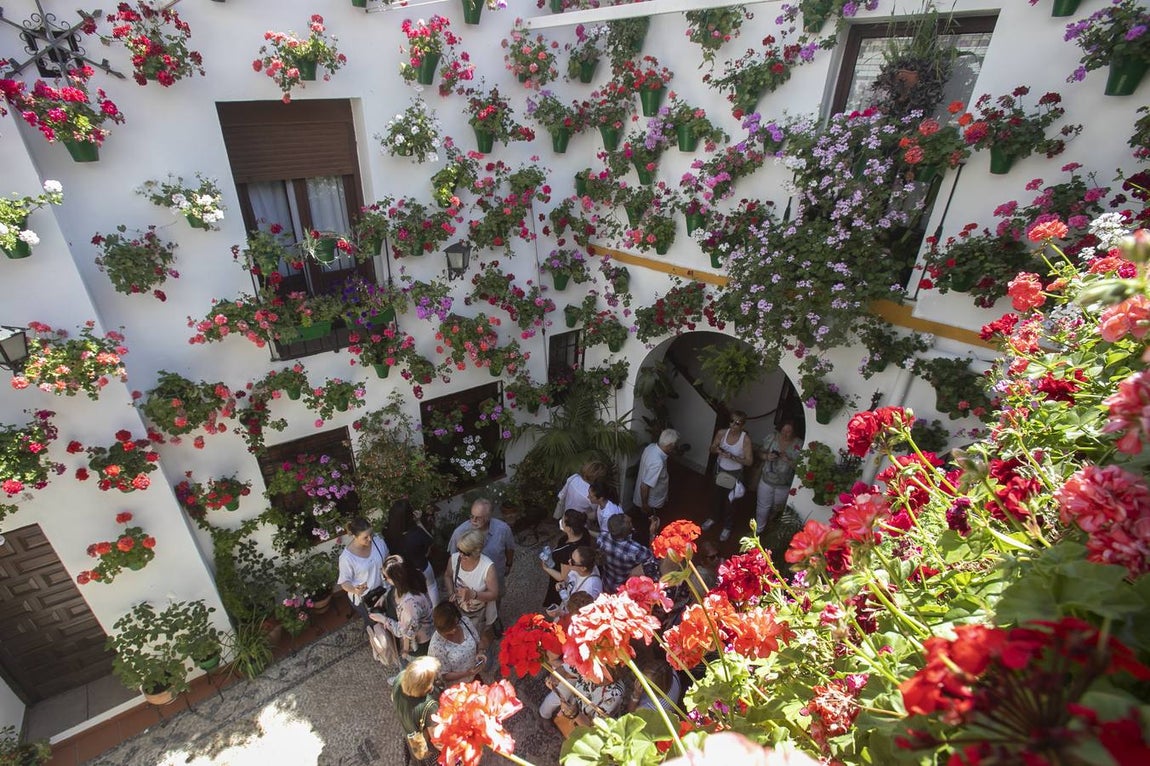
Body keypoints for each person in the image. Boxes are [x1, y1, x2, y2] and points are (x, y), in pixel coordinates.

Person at [371, 556, 434, 664]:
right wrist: (384, 597)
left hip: (418, 644)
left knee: (415, 667)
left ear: (395, 578)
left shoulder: (410, 603)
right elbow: (393, 589)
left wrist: (383, 619)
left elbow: (405, 632)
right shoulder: (411, 579)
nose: (384, 579)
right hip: (415, 632)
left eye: (385, 577)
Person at [443, 528, 500, 643]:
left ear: (476, 552)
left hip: (479, 614)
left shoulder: (487, 567)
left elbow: (494, 594)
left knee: (476, 639)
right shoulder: (454, 559)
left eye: (465, 553)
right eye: (459, 550)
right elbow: (447, 576)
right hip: (459, 610)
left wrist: (473, 594)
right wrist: (451, 593)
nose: (461, 555)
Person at [708, 411, 754, 542]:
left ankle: (727, 526)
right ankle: (713, 517)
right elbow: (711, 448)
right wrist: (717, 449)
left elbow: (749, 461)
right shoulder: (722, 433)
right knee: (716, 495)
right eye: (731, 421)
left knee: (731, 501)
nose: (733, 425)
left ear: (743, 425)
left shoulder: (745, 439)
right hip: (719, 469)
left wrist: (733, 457)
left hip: (735, 473)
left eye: (737, 423)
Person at [631, 429, 680, 547]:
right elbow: (645, 486)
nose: (675, 447)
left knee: (642, 523)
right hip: (651, 502)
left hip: (644, 498)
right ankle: (648, 545)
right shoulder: (657, 462)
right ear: (670, 446)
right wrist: (645, 505)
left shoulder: (651, 447)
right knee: (650, 526)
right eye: (674, 445)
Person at [337, 518, 389, 628]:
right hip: (365, 598)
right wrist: (355, 590)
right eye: (365, 537)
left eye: (371, 534)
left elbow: (387, 558)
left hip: (383, 589)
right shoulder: (347, 558)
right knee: (375, 625)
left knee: (390, 618)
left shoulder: (378, 541)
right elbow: (344, 582)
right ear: (354, 536)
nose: (370, 539)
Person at [391, 655, 441, 766]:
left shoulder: (400, 679)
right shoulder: (429, 705)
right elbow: (437, 740)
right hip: (425, 747)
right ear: (426, 686)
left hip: (410, 736)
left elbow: (392, 697)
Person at [756, 421, 802, 533]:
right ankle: (758, 530)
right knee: (762, 507)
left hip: (784, 484)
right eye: (783, 431)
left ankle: (770, 528)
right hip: (767, 480)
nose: (785, 434)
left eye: (789, 432)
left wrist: (789, 461)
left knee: (777, 508)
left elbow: (801, 467)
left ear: (794, 433)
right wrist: (767, 456)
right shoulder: (772, 437)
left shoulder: (799, 444)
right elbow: (759, 453)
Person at [428, 602, 487, 687]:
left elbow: (477, 641)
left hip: (475, 678)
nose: (454, 630)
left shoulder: (464, 622)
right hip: (458, 688)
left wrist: (480, 652)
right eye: (450, 629)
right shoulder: (436, 647)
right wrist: (467, 673)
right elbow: (444, 676)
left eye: (456, 624)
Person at [542, 509, 591, 610]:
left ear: (569, 529)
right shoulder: (584, 533)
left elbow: (562, 577)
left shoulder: (566, 553)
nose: (561, 521)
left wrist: (546, 568)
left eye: (563, 521)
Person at [597, 513, 657, 593]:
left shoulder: (602, 538)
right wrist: (652, 533)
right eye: (630, 522)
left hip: (606, 583)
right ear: (629, 530)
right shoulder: (636, 550)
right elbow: (653, 558)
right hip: (624, 588)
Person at [541, 545, 603, 613]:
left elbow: (581, 613)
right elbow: (570, 579)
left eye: (573, 561)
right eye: (570, 556)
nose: (569, 561)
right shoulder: (577, 568)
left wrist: (560, 613)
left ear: (583, 568)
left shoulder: (590, 589)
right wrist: (563, 584)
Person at [400, 501, 440, 606]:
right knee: (431, 587)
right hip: (423, 565)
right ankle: (436, 610)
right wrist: (419, 523)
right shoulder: (416, 532)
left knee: (418, 594)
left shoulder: (392, 536)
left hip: (407, 571)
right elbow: (430, 540)